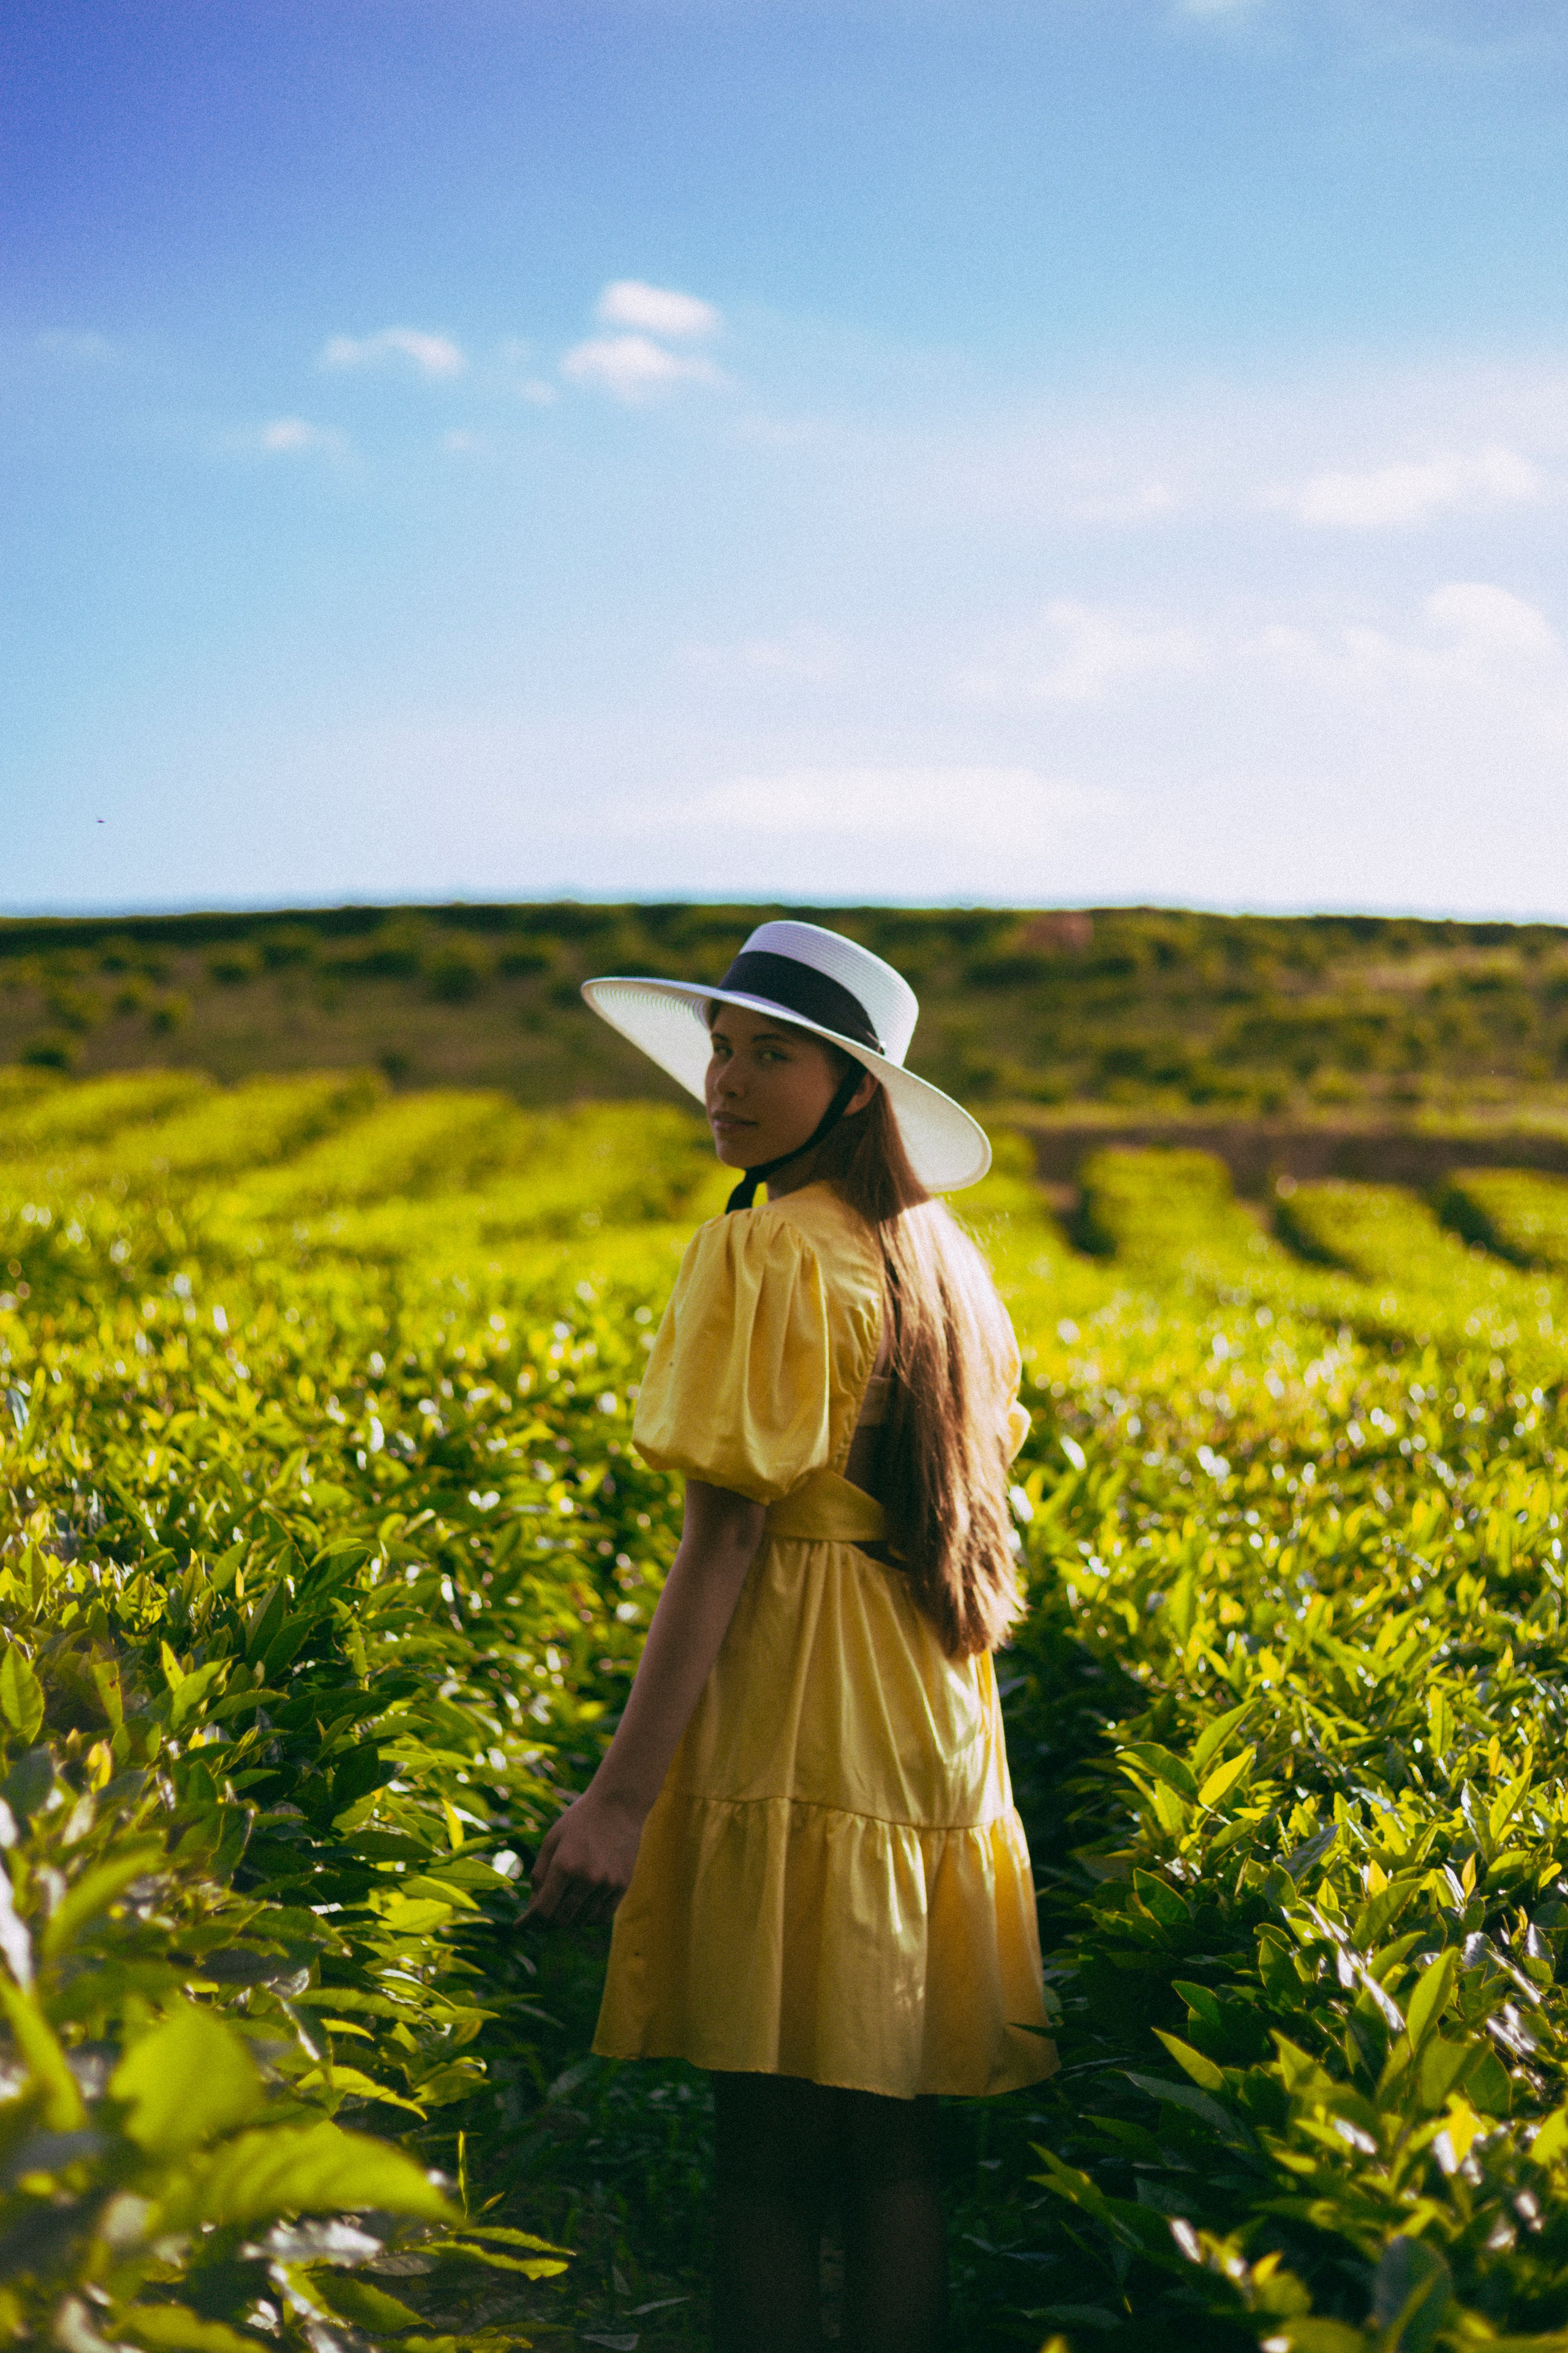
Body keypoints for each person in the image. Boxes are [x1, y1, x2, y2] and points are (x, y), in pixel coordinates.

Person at [526, 920, 1055, 2352]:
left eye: (774, 1055)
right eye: (721, 1046)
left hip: (801, 1700)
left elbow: (726, 1537)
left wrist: (616, 1803)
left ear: (852, 1092)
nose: (727, 1079)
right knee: (889, 2148)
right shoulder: (945, 1269)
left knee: (762, 2145)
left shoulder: (765, 1251)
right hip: (930, 1715)